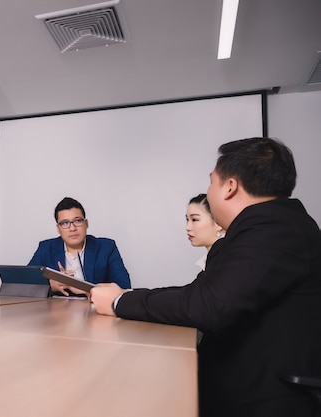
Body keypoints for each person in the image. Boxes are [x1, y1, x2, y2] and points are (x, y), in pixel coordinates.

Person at [91, 137, 321, 417]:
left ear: (230, 187)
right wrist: (124, 298)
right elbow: (199, 291)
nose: (209, 192)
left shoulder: (273, 228)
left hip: (257, 396)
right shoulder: (267, 226)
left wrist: (119, 303)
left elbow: (209, 305)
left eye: (212, 182)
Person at [28, 197, 130, 296]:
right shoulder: (46, 248)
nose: (72, 228)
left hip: (96, 309)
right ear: (58, 228)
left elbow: (124, 287)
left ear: (86, 223)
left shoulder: (106, 248)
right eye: (65, 223)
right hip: (58, 310)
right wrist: (50, 286)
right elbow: (24, 283)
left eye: (77, 221)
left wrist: (87, 290)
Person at [186, 193, 225, 270]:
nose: (187, 227)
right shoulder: (213, 259)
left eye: (194, 219)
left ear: (218, 222)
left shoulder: (227, 259)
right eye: (187, 219)